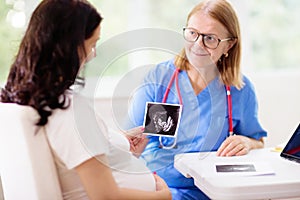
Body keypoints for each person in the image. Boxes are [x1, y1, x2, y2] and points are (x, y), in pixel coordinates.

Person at [0, 0, 171, 199]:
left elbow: (74, 166)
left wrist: (118, 146)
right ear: (69, 47)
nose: (93, 55)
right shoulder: (70, 109)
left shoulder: (31, 101)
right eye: (92, 45)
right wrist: (163, 196)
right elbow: (105, 196)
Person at [124, 0, 267, 199]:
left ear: (229, 44)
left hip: (216, 192)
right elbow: (129, 145)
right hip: (162, 190)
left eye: (210, 38)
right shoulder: (159, 79)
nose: (197, 45)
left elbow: (258, 141)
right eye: (192, 33)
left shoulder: (240, 89)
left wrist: (247, 142)